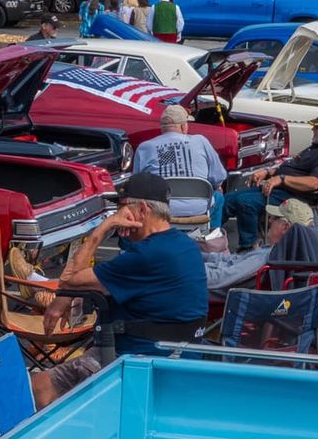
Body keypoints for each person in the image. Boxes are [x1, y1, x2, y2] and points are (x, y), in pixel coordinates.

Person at [34, 172, 207, 406]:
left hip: (136, 362)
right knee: (42, 385)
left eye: (123, 208)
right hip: (175, 354)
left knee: (38, 389)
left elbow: (70, 278)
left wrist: (103, 229)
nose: (118, 216)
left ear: (143, 210)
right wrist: (65, 296)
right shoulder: (184, 245)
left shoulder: (147, 255)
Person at [224, 111, 318, 251]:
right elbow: (293, 166)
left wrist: (281, 179)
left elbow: (314, 183)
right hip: (280, 188)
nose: (313, 130)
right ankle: (212, 237)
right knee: (228, 199)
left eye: (317, 128)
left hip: (294, 196)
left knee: (245, 202)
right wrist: (268, 172)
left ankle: (248, 247)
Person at [203, 198, 318, 293]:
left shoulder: (268, 258)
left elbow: (219, 278)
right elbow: (233, 260)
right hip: (212, 271)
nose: (269, 220)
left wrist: (189, 268)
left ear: (285, 227)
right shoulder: (278, 253)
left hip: (207, 287)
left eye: (275, 218)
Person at [134, 104, 227, 226]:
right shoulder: (201, 141)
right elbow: (219, 176)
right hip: (199, 207)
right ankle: (212, 239)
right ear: (183, 126)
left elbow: (136, 185)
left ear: (162, 128)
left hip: (159, 210)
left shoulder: (145, 147)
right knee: (218, 196)